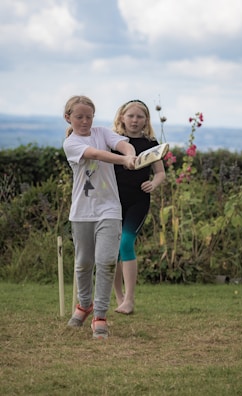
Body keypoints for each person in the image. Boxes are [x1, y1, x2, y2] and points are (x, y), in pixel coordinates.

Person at [63, 95, 136, 339]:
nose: (84, 121)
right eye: (79, 117)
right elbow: (97, 155)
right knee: (83, 263)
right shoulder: (71, 144)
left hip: (110, 210)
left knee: (106, 261)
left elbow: (123, 144)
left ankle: (100, 316)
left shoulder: (103, 132)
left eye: (89, 117)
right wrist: (123, 160)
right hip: (82, 212)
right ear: (68, 118)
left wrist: (130, 152)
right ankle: (84, 305)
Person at [112, 99, 166, 314]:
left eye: (139, 117)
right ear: (122, 118)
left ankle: (130, 299)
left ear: (146, 120)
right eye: (131, 116)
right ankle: (119, 297)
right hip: (112, 202)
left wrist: (153, 183)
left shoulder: (151, 143)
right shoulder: (113, 142)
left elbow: (160, 173)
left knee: (126, 243)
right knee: (112, 252)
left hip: (138, 201)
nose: (135, 120)